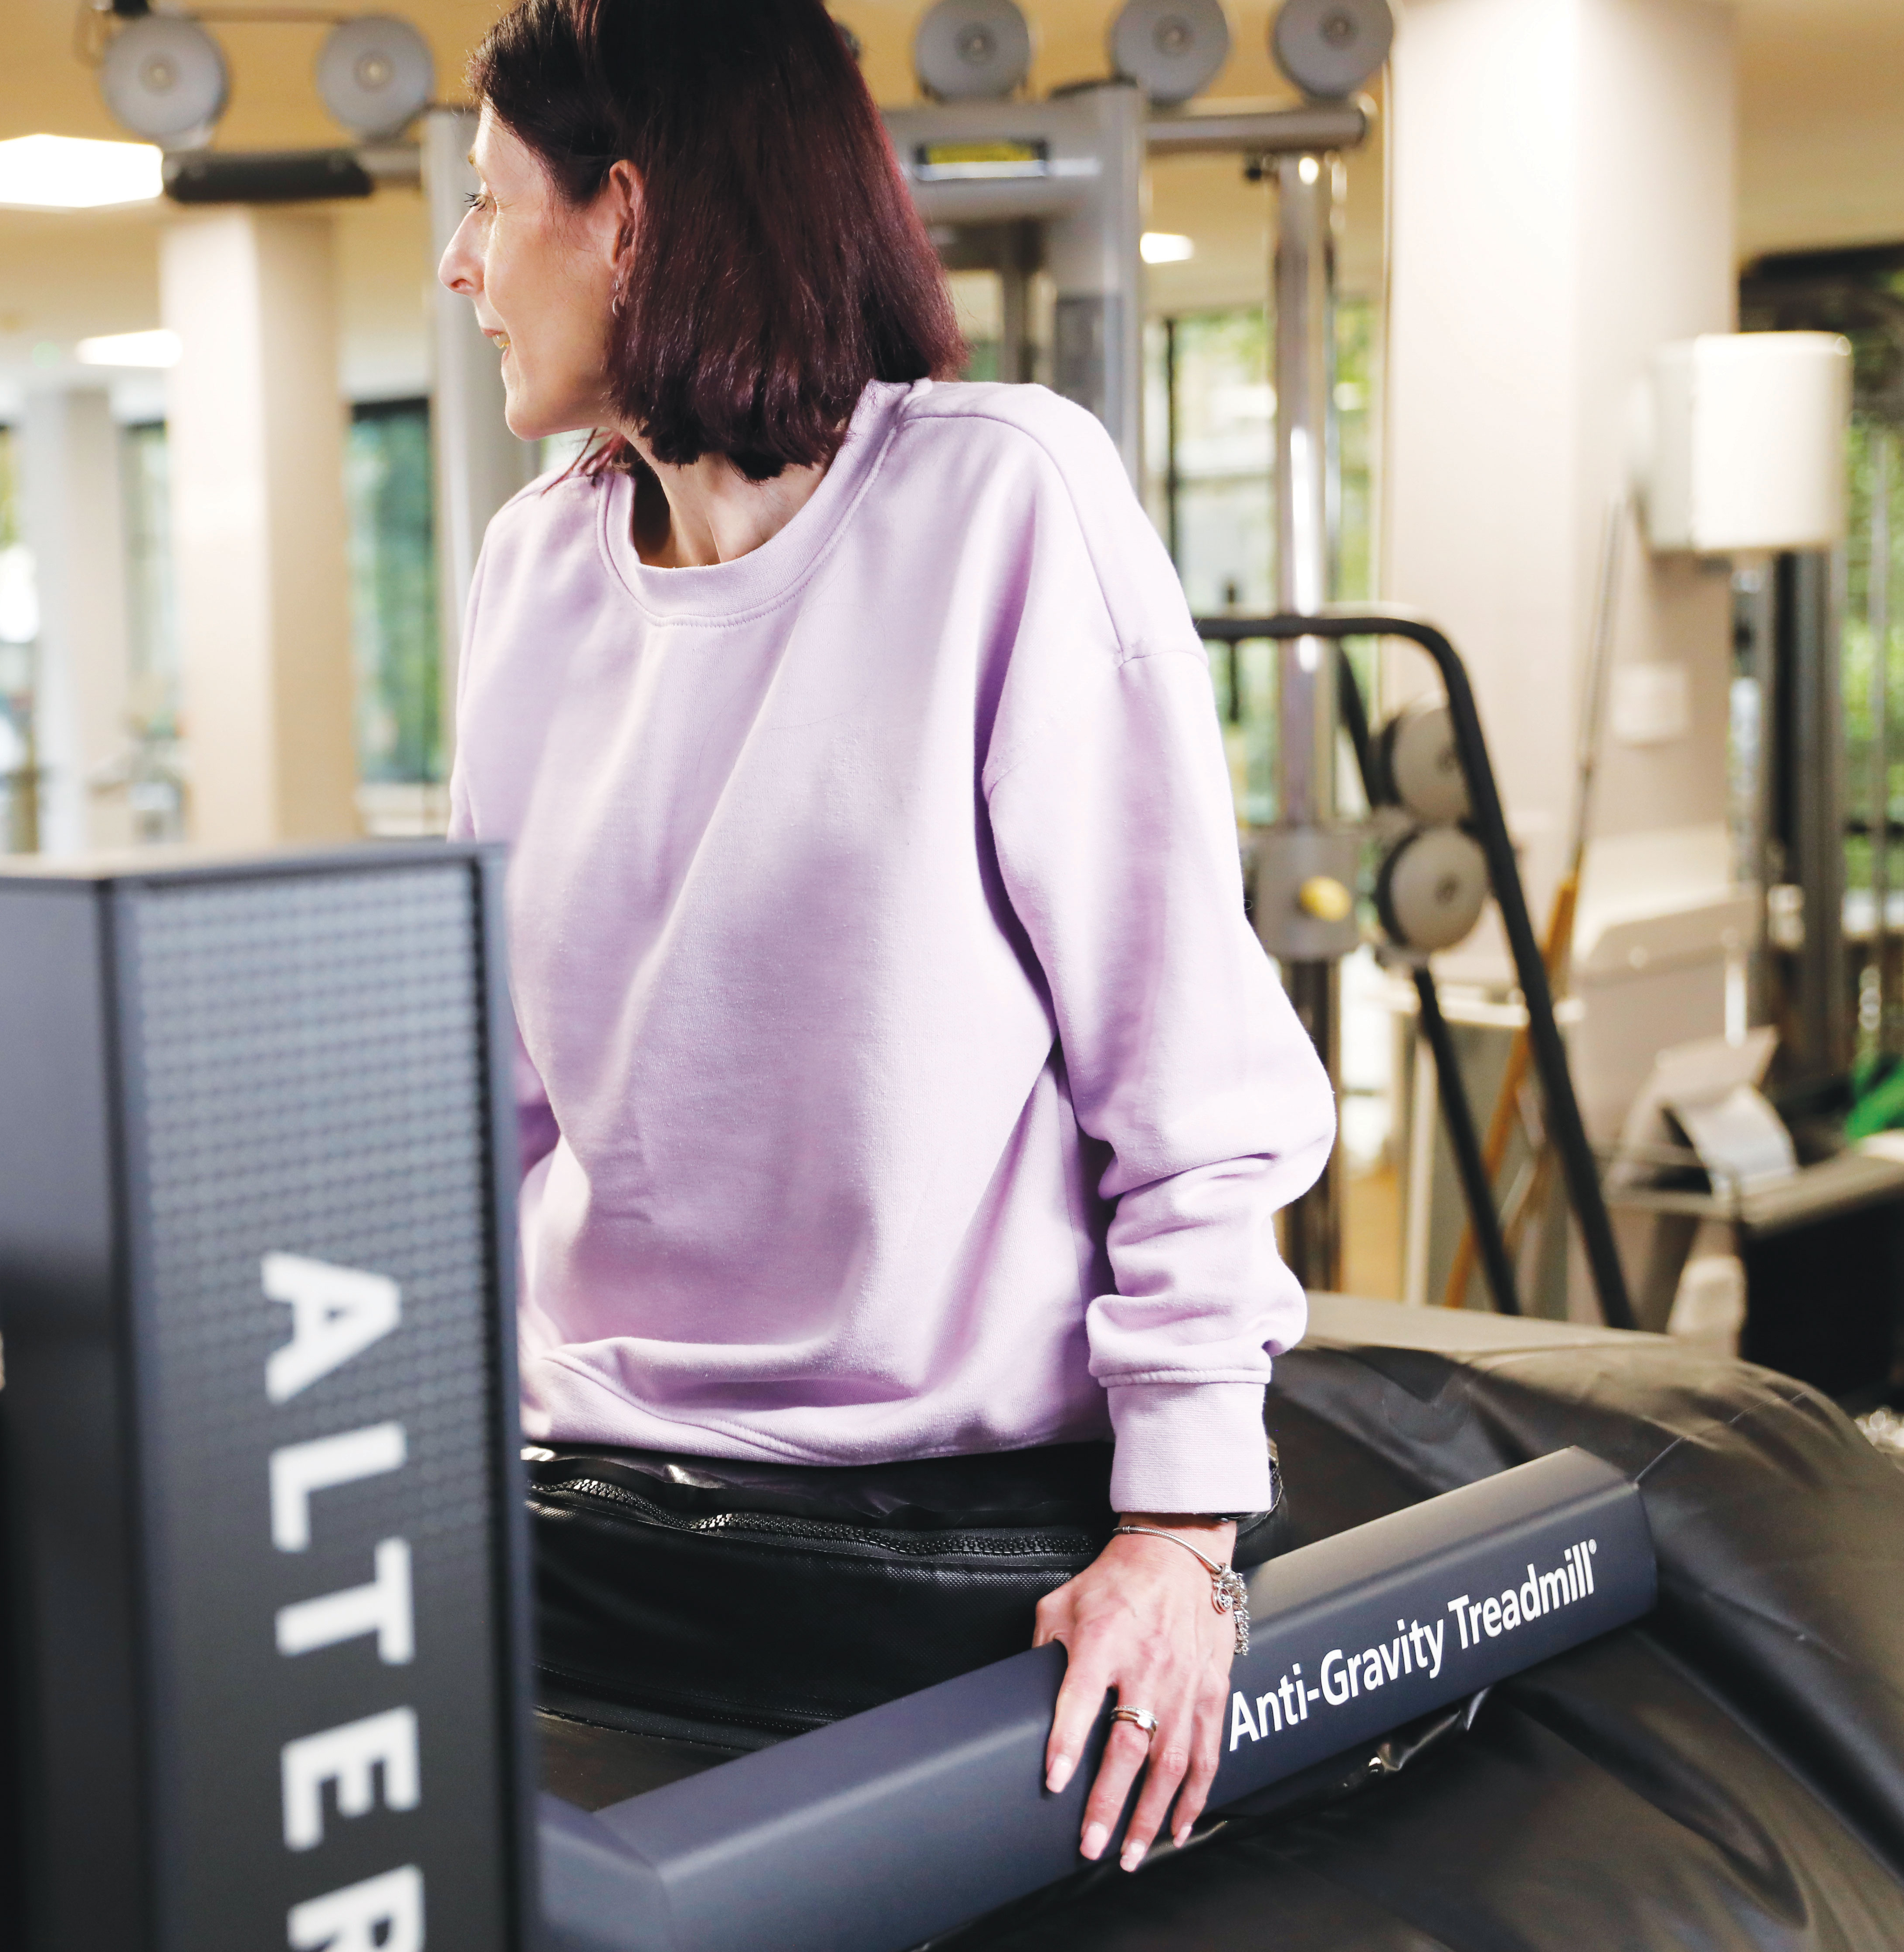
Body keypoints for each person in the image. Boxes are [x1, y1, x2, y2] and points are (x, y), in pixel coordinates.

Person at [439, 0, 1333, 1872]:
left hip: (953, 1542)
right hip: (594, 1512)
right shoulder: (532, 567)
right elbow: (483, 1093)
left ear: (627, 215)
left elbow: (1185, 1076)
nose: (461, 266)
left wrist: (1179, 1538)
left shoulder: (1002, 498)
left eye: (486, 204)